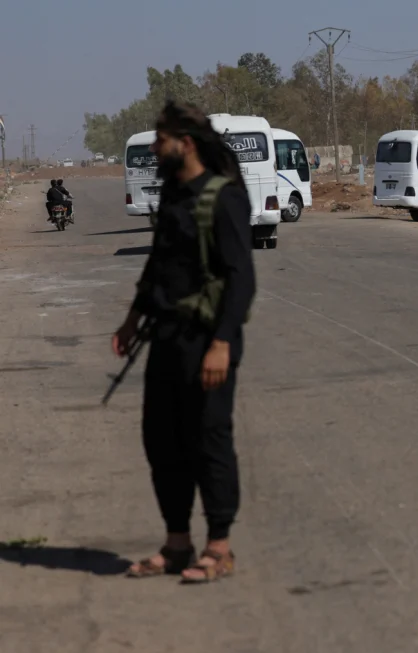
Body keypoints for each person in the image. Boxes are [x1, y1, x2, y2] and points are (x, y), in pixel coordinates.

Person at [113, 100, 255, 584]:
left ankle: (219, 547)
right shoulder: (174, 194)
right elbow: (158, 265)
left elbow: (241, 279)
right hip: (166, 339)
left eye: (161, 140)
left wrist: (223, 343)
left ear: (186, 143)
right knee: (162, 440)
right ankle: (177, 544)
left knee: (209, 439)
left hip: (206, 340)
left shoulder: (225, 198)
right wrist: (132, 319)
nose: (155, 148)